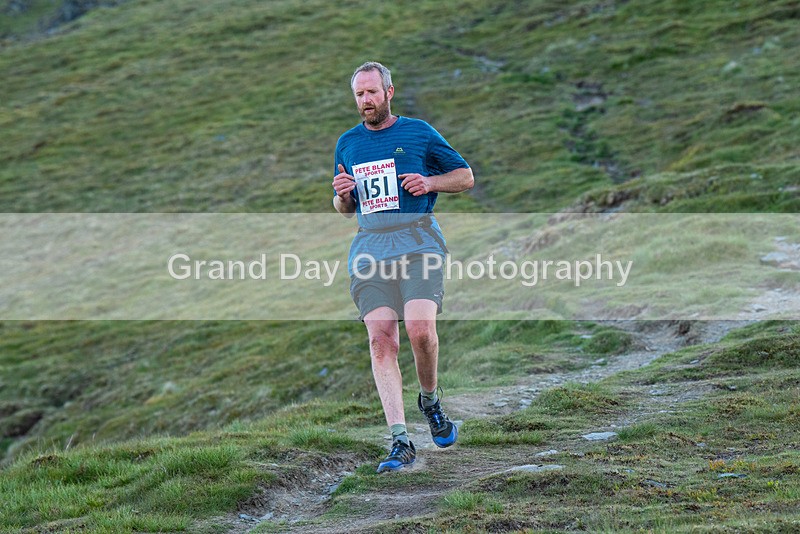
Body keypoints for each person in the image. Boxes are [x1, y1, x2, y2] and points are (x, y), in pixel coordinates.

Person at [331, 61, 474, 473]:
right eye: (359, 94)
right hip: (370, 248)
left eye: (372, 92)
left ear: (389, 92)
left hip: (418, 242)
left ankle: (429, 401)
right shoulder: (347, 143)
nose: (365, 101)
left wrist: (429, 184)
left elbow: (464, 176)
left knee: (420, 331)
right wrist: (342, 196)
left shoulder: (418, 132)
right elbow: (344, 208)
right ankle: (399, 440)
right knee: (381, 339)